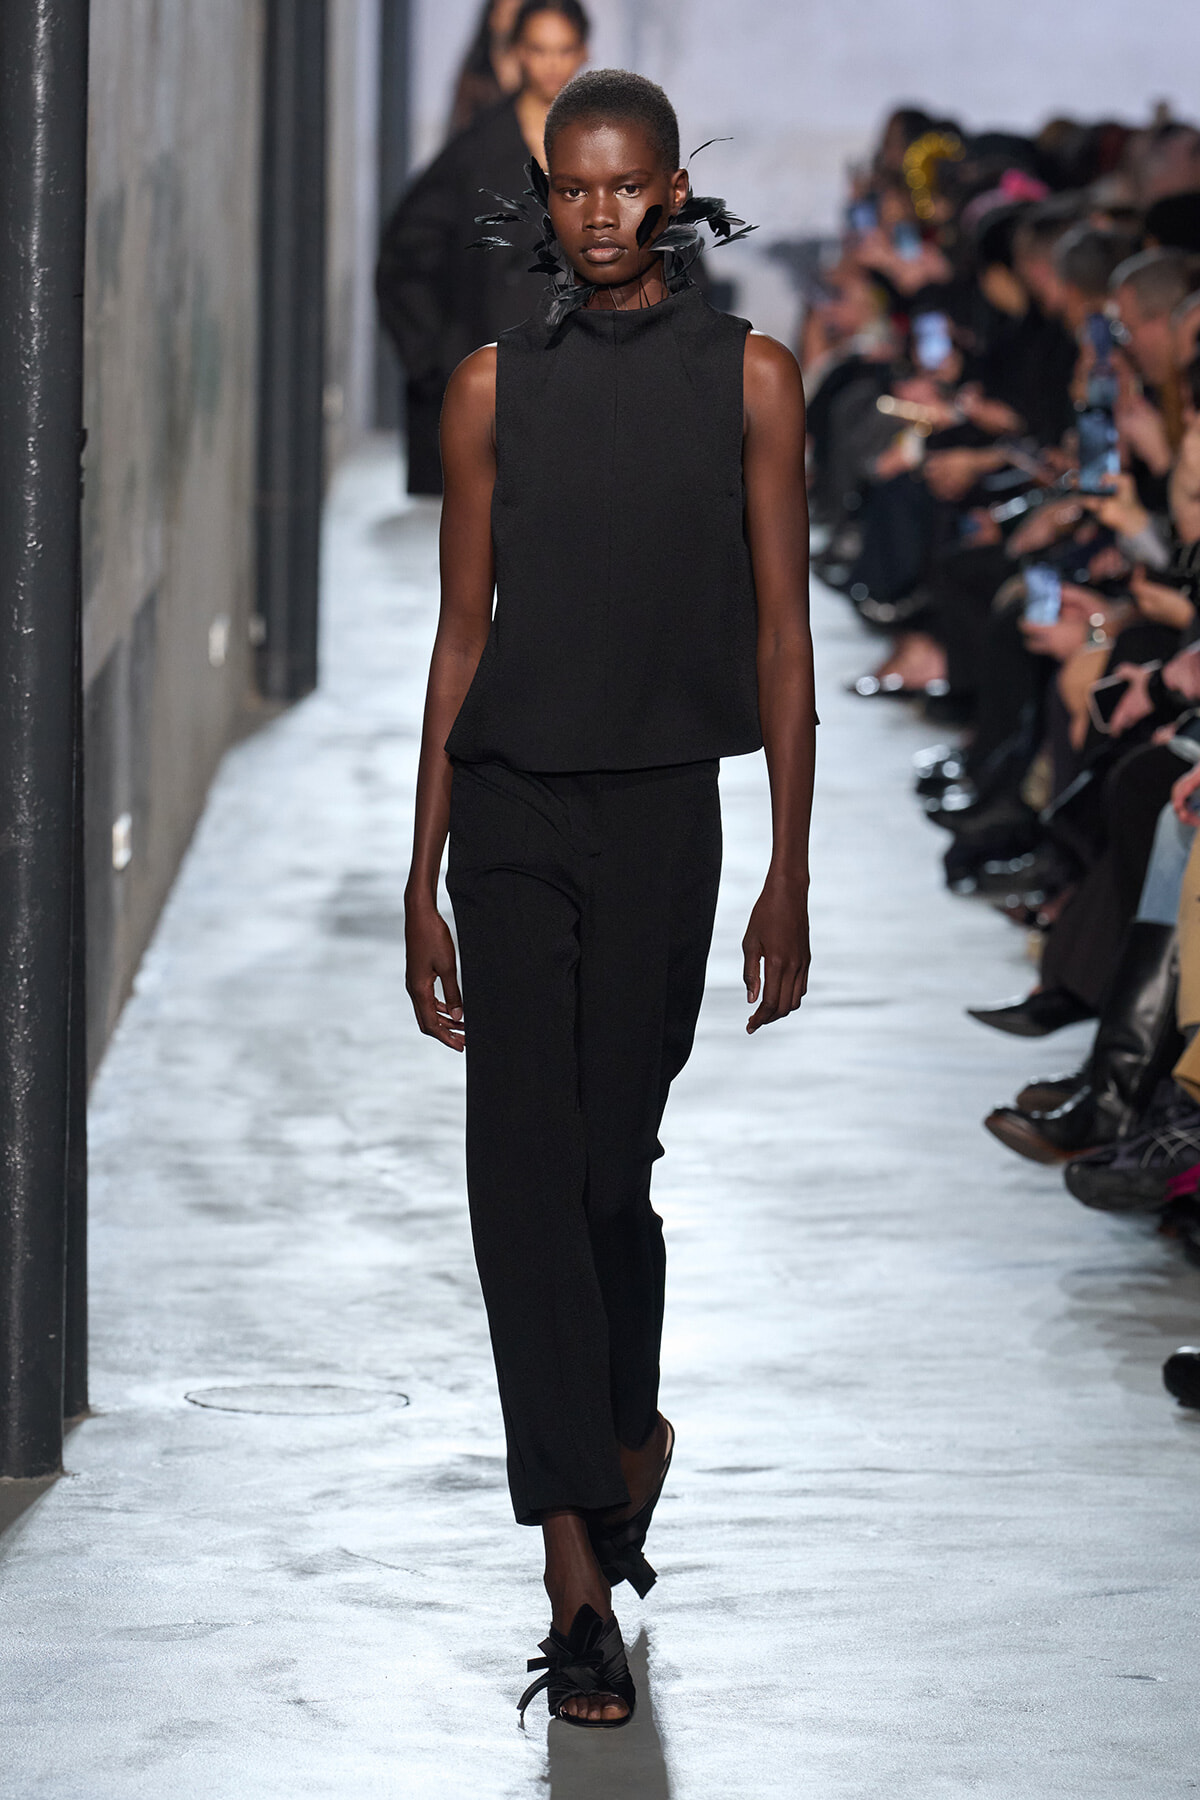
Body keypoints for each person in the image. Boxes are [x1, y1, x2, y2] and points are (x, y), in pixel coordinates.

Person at [403, 68, 816, 1727]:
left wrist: (793, 863)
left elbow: (786, 634)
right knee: (519, 1176)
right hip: (510, 813)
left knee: (603, 1175)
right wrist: (418, 868)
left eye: (624, 185)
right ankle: (574, 1569)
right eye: (570, 186)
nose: (596, 212)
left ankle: (627, 1433)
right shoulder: (489, 389)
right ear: (547, 193)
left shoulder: (754, 381)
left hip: (665, 814)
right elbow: (457, 639)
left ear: (668, 192)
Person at [376, 0, 589, 495]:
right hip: (495, 383)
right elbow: (405, 255)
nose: (552, 64)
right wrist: (435, 362)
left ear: (583, 53)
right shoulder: (477, 150)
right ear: (517, 53)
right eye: (538, 49)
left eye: (563, 50)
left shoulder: (607, 142)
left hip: (583, 383)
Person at [447, 0, 524, 137]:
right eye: (507, 14)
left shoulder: (545, 74)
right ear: (492, 17)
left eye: (520, 15)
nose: (514, 23)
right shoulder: (472, 81)